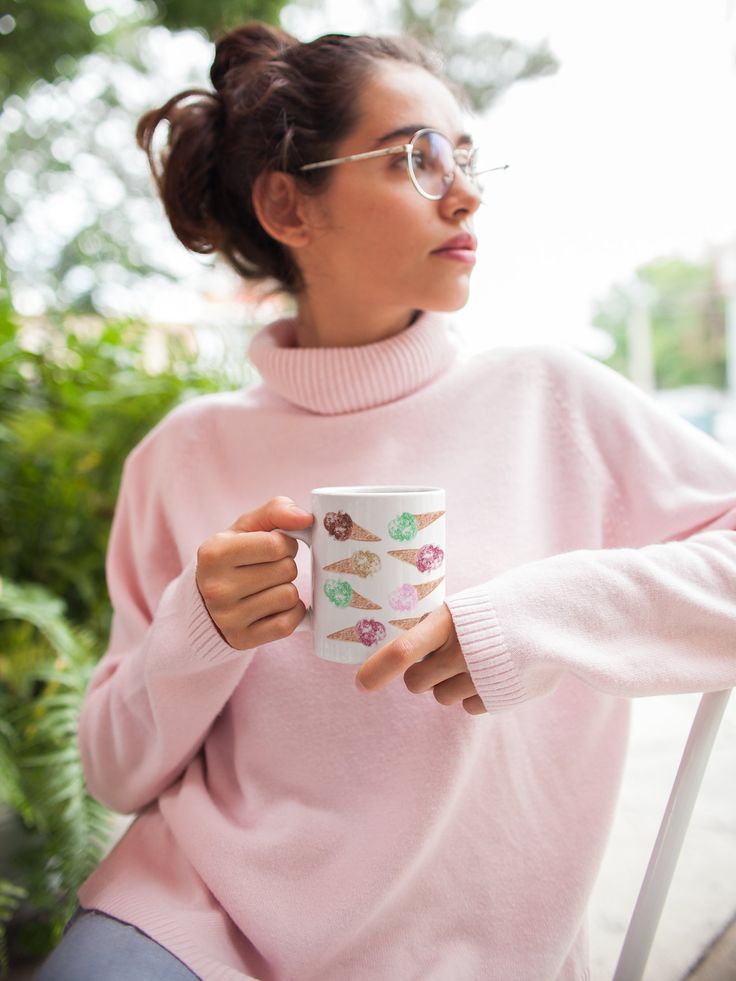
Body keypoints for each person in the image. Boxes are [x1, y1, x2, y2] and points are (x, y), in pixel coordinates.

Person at [36, 18, 736, 981]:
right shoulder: (182, 455)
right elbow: (114, 772)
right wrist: (195, 630)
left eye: (467, 155)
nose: (466, 190)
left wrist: (541, 619)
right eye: (417, 157)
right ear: (289, 205)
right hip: (195, 920)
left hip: (467, 948)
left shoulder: (550, 398)